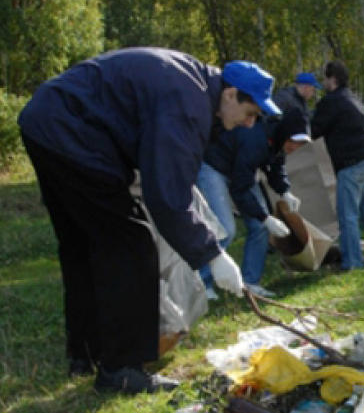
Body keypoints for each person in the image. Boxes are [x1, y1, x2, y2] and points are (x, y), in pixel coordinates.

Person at [17, 48, 280, 394]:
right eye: (249, 113)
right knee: (131, 244)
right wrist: (212, 255)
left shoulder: (194, 87)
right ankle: (121, 369)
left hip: (46, 121)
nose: (250, 123)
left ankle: (86, 353)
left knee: (83, 244)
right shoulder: (189, 102)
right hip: (73, 133)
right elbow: (167, 195)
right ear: (230, 94)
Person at [198, 111, 309, 300]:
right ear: (285, 134)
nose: (296, 146)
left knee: (259, 228)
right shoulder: (255, 140)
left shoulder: (277, 142)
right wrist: (265, 217)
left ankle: (250, 282)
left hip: (239, 172)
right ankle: (202, 285)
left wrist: (285, 191)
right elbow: (240, 190)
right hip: (214, 168)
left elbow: (275, 167)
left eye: (302, 143)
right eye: (294, 140)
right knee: (225, 229)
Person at [311, 60, 364, 271]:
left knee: (348, 216)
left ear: (332, 79)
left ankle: (353, 262)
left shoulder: (332, 101)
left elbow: (315, 129)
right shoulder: (356, 100)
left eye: (325, 78)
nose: (324, 83)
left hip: (352, 164)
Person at [273, 72, 320, 136]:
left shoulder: (302, 100)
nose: (313, 93)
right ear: (306, 87)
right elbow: (273, 120)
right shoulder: (284, 97)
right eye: (313, 90)